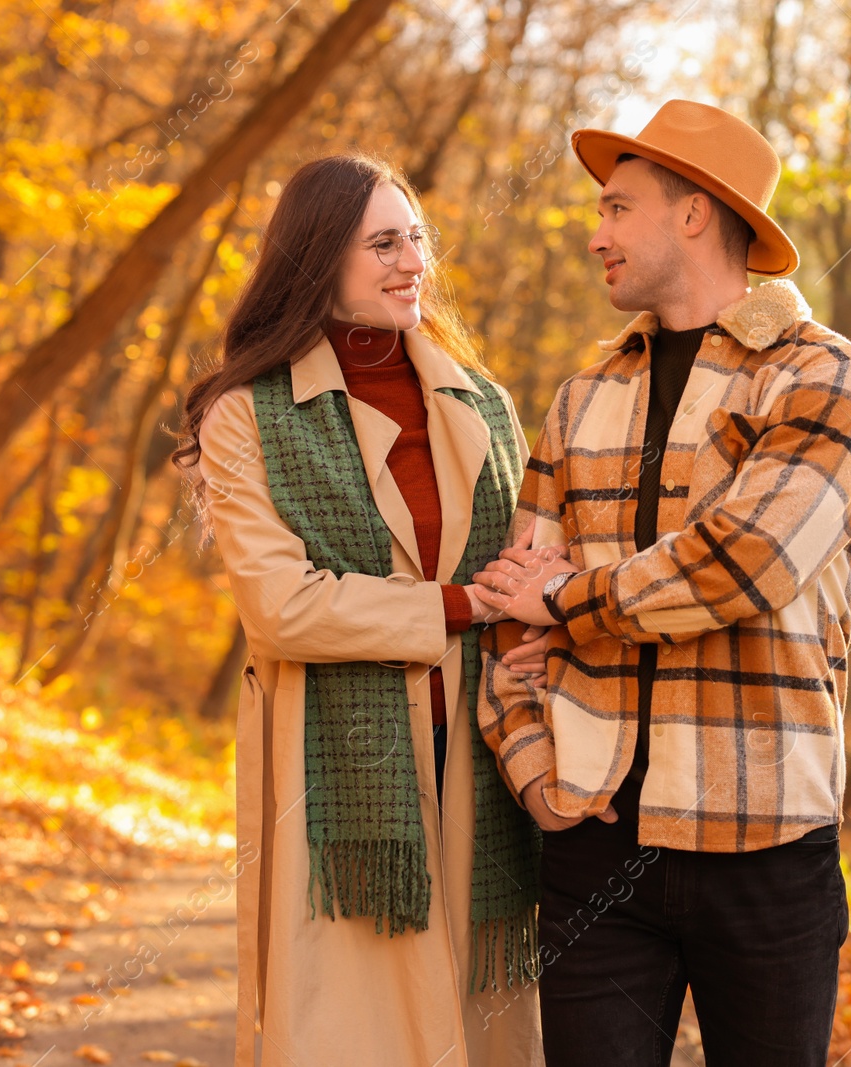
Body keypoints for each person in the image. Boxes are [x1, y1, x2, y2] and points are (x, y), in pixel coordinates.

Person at [471, 100, 851, 1067]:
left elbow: (747, 562)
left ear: (694, 212)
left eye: (618, 208)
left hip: (769, 845)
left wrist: (569, 599)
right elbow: (505, 602)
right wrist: (539, 779)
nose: (595, 233)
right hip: (594, 844)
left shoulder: (825, 378)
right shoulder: (581, 398)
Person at [173, 153, 546, 1067]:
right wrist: (464, 605)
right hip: (332, 781)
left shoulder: (483, 402)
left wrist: (532, 617)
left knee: (484, 1023)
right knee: (349, 1034)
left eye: (415, 238)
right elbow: (284, 609)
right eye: (382, 243)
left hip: (482, 760)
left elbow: (532, 571)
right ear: (315, 260)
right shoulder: (246, 413)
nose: (411, 260)